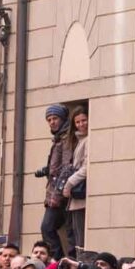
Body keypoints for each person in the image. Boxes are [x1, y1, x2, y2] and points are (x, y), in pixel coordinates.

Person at [34, 104, 74, 259]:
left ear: (63, 119)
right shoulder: (58, 139)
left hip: (60, 195)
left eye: (55, 118)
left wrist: (57, 194)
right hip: (56, 193)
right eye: (49, 119)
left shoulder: (66, 139)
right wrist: (46, 170)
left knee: (48, 228)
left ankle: (57, 261)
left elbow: (67, 167)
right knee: (64, 230)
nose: (52, 122)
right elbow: (57, 166)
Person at [62, 106, 89, 249]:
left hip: (81, 194)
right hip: (77, 196)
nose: (81, 124)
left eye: (84, 120)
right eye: (77, 122)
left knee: (80, 239)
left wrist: (69, 183)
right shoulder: (80, 140)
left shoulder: (88, 140)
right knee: (75, 236)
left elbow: (87, 167)